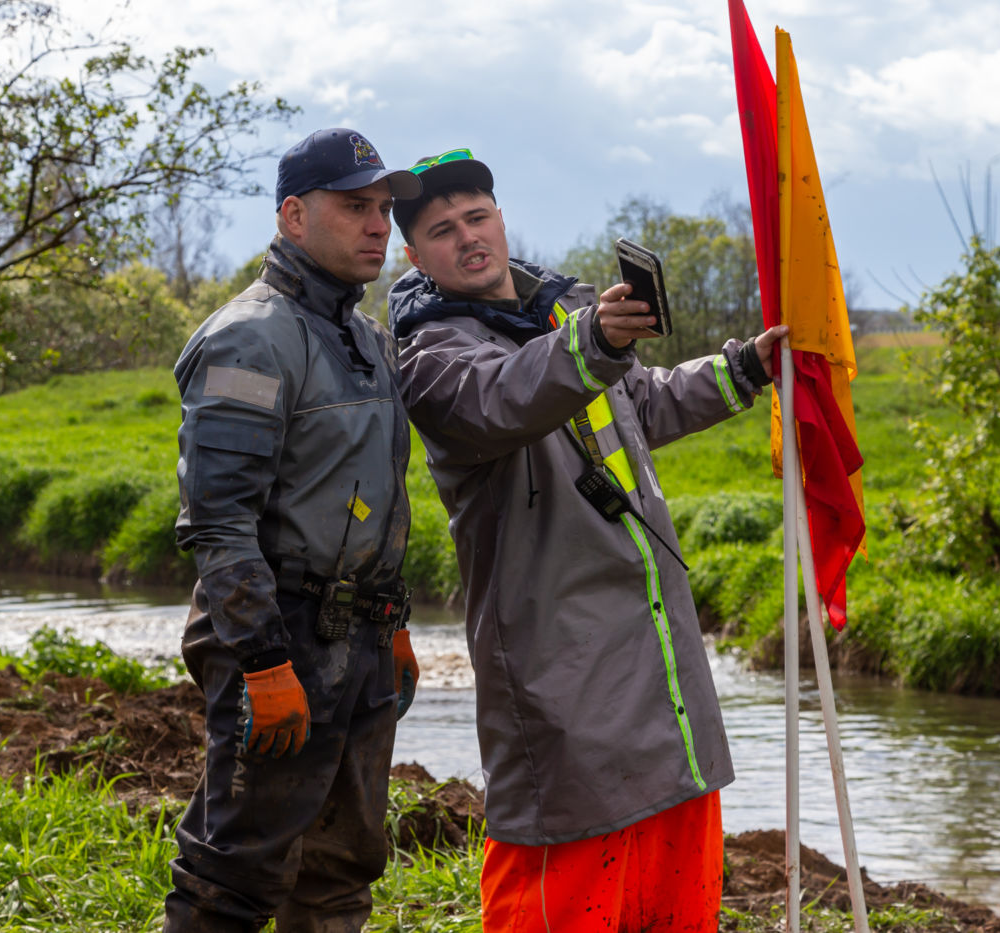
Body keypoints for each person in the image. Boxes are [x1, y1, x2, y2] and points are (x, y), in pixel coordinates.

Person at [387, 148, 789, 932]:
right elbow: (503, 397)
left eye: (476, 217)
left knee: (677, 903)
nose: (467, 237)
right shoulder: (431, 356)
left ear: (501, 220)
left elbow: (645, 401)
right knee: (560, 895)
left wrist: (745, 367)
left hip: (656, 661)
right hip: (560, 675)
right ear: (416, 258)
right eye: (442, 230)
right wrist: (593, 340)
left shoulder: (559, 317)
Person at [165, 128, 423, 933]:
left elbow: (373, 498)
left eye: (382, 208)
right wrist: (264, 661)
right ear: (293, 216)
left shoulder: (370, 341)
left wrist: (395, 622)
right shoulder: (250, 337)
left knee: (341, 869)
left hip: (362, 641)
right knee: (234, 878)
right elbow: (219, 520)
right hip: (281, 635)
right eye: (355, 207)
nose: (377, 225)